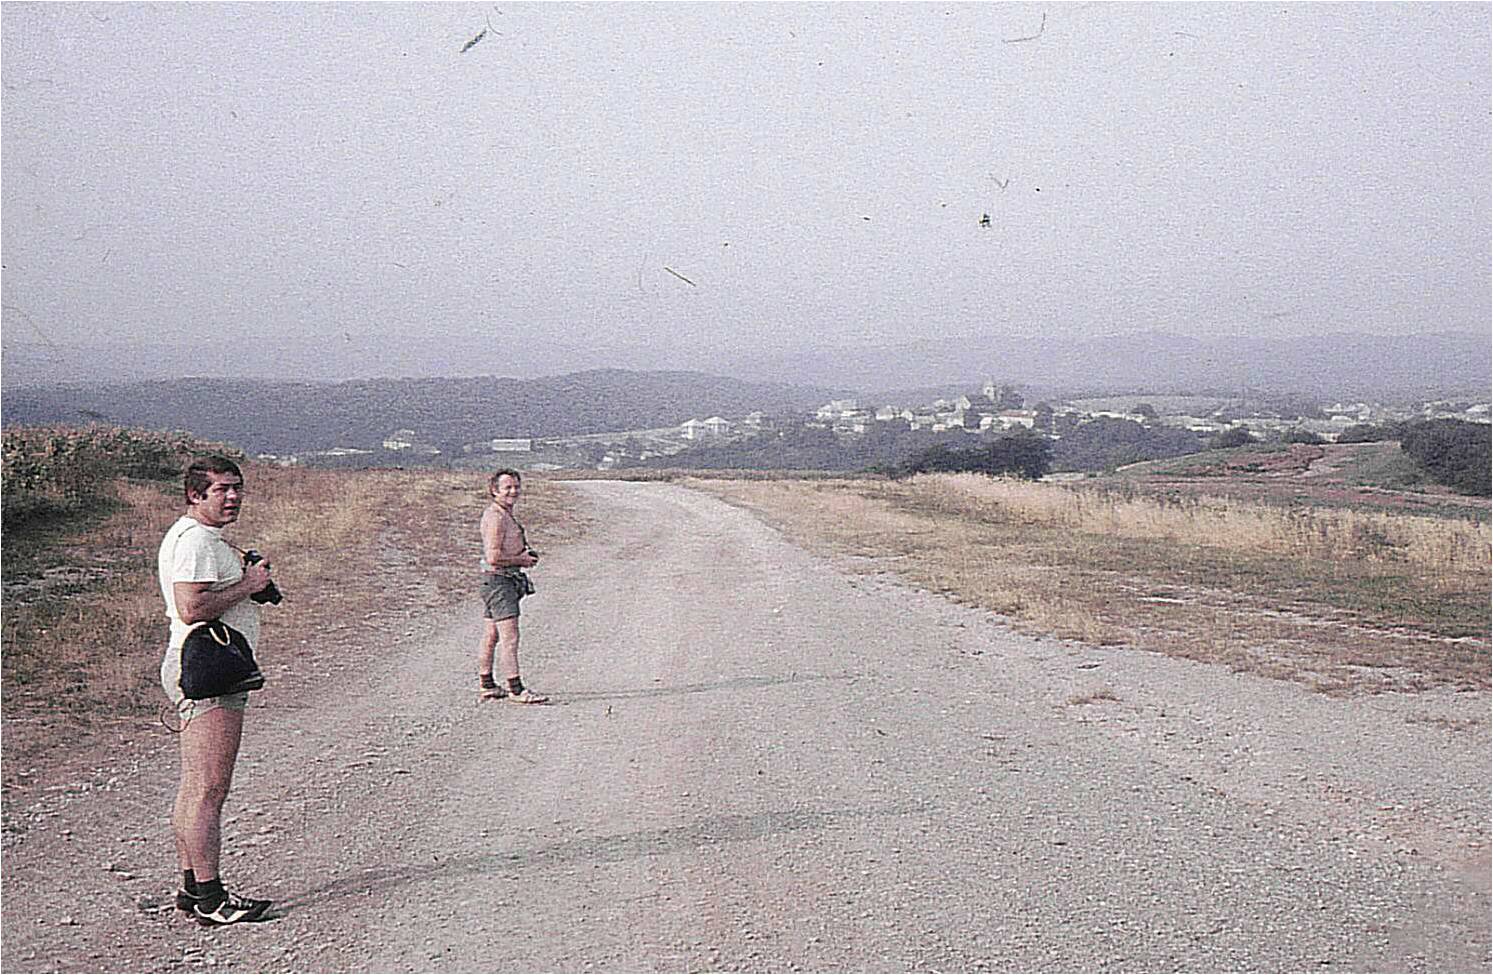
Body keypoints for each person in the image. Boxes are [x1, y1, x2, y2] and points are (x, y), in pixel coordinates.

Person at [157, 455, 276, 925]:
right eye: (221, 489)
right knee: (209, 789)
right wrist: (249, 584)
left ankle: (192, 888)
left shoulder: (197, 538)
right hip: (208, 667)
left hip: (195, 664)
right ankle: (212, 898)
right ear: (195, 494)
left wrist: (250, 582)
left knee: (195, 787)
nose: (232, 497)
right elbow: (192, 607)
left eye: (237, 488)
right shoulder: (198, 542)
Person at [476, 468, 547, 704]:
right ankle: (516, 689)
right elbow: (493, 556)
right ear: (494, 490)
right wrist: (522, 560)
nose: (513, 491)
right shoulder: (496, 517)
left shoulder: (501, 514)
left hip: (496, 581)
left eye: (516, 486)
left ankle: (487, 684)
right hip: (499, 581)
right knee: (510, 638)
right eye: (507, 487)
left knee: (491, 634)